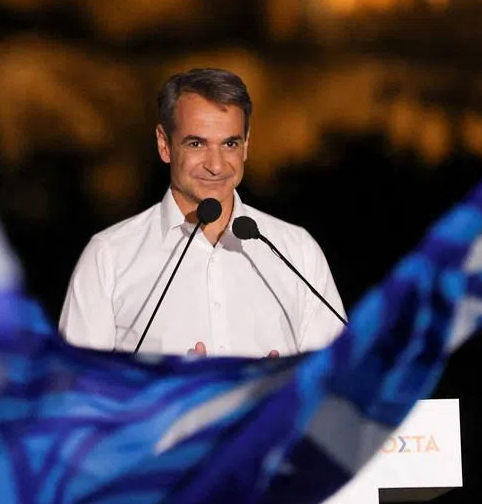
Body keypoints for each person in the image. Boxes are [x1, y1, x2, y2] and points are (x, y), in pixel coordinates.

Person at [58, 68, 346, 358]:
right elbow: (74, 392)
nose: (217, 166)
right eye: (197, 144)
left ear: (246, 145)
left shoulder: (297, 251)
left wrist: (281, 390)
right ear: (164, 144)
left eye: (230, 144)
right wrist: (171, 393)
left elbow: (339, 384)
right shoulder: (109, 256)